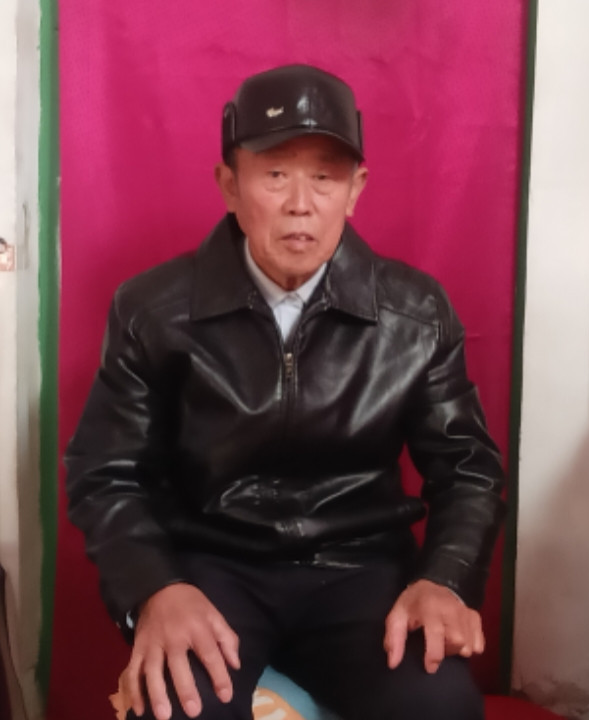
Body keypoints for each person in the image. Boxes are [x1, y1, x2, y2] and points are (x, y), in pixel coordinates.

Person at [65, 63, 505, 720]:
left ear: (355, 191)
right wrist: (155, 589)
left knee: (438, 704)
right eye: (275, 174)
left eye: (325, 177)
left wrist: (444, 579)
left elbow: (467, 469)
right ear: (230, 185)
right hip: (214, 565)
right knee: (178, 707)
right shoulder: (152, 310)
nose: (301, 203)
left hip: (361, 569)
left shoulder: (415, 313)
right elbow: (105, 473)